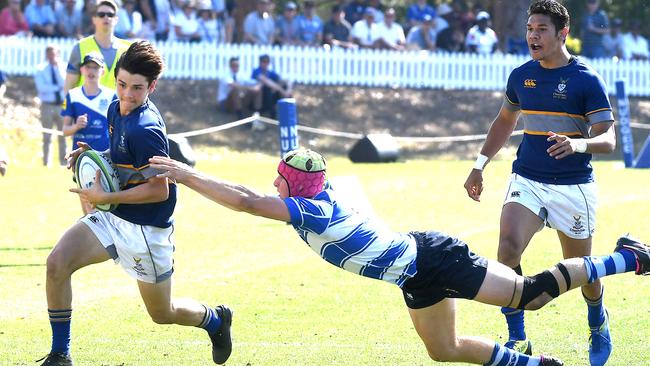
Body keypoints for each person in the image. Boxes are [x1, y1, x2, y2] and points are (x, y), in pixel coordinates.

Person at [150, 147, 650, 366]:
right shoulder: (316, 196)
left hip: (433, 258)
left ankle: (626, 258)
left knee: (528, 296)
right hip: (415, 273)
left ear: (296, 186)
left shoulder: (309, 211)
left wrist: (187, 174)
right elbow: (251, 193)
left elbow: (243, 200)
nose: (273, 186)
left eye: (280, 179)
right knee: (444, 349)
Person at [38, 40, 232, 366]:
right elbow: (121, 156)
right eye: (122, 84)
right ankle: (61, 355)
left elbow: (160, 190)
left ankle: (214, 320)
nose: (127, 94)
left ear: (152, 87)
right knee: (57, 263)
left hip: (146, 230)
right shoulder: (116, 106)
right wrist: (93, 156)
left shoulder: (147, 130)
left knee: (162, 313)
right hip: (114, 216)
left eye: (137, 88)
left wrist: (105, 198)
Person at [463, 2, 616, 366]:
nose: (533, 34)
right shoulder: (521, 75)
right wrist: (479, 165)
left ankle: (597, 319)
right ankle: (518, 337)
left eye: (541, 29)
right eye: (530, 28)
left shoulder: (586, 79)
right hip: (527, 178)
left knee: (581, 269)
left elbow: (608, 139)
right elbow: (504, 121)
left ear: (562, 33)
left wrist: (577, 143)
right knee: (508, 248)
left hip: (572, 185)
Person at [61, 52, 116, 214]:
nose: (91, 71)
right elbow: (65, 130)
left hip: (104, 158)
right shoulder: (73, 95)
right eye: (88, 67)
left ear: (102, 71)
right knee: (87, 207)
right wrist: (76, 126)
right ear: (82, 70)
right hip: (81, 158)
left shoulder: (111, 96)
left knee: (107, 206)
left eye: (96, 67)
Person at [63, 0, 131, 94]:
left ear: (116, 19)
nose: (106, 17)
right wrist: (66, 108)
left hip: (116, 108)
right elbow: (68, 87)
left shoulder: (127, 49)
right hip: (85, 107)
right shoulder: (80, 47)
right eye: (101, 14)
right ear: (94, 19)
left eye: (110, 14)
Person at [34, 45, 66, 167]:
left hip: (61, 105)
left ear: (57, 54)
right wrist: (56, 88)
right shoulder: (41, 69)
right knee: (47, 135)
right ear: (46, 55)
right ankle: (46, 162)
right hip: (47, 105)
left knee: (62, 134)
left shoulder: (63, 67)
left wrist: (57, 69)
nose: (52, 57)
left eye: (54, 54)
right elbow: (42, 88)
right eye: (50, 54)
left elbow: (64, 83)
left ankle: (63, 162)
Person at [251, 54, 291, 119]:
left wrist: (288, 90)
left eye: (267, 62)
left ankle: (288, 115)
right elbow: (265, 81)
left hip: (270, 96)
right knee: (270, 89)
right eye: (264, 61)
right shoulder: (256, 71)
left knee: (279, 88)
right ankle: (272, 114)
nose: (266, 63)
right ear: (260, 62)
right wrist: (282, 91)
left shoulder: (270, 72)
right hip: (258, 98)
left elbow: (285, 80)